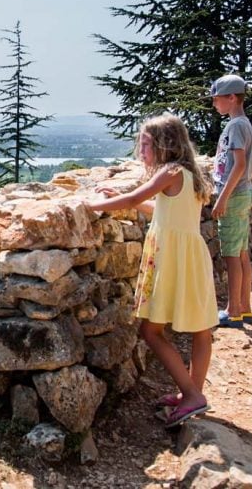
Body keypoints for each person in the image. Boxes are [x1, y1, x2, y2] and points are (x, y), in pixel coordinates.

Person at [86, 114, 217, 428]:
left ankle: (192, 395)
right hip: (192, 257)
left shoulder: (169, 172)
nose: (141, 151)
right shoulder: (190, 174)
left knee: (150, 331)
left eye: (145, 144)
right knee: (201, 331)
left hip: (172, 259)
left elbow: (134, 197)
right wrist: (118, 201)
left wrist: (92, 205)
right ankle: (192, 392)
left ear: (164, 145)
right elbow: (161, 210)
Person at [209, 74, 252, 329]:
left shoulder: (236, 125)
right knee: (241, 252)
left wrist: (222, 199)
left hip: (235, 194)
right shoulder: (244, 124)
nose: (214, 104)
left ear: (231, 97)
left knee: (230, 255)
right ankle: (245, 308)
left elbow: (237, 165)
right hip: (244, 192)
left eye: (217, 99)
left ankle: (233, 310)